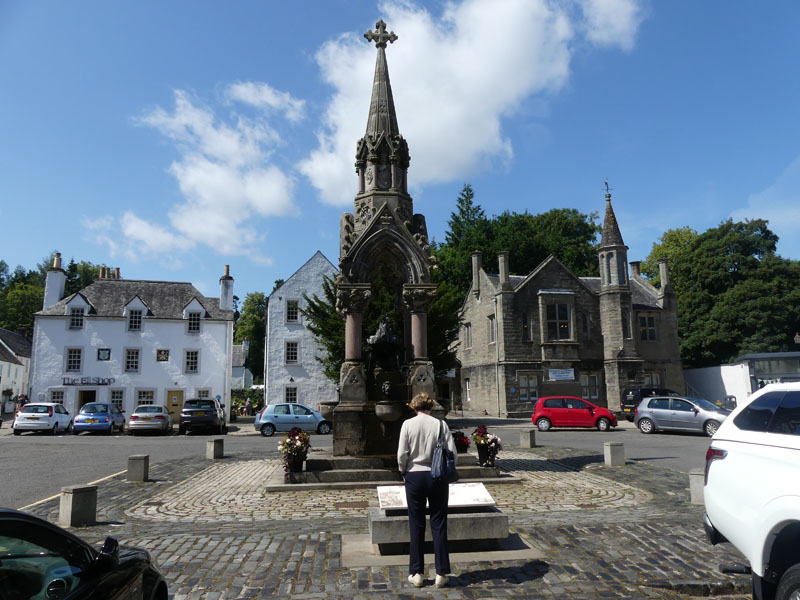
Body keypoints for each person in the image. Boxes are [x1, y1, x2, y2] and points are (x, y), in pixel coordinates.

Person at [397, 393, 456, 588]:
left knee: (416, 524)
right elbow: (452, 452)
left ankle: (417, 573)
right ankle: (441, 573)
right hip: (437, 475)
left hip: (414, 475)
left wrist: (403, 471)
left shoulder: (407, 424)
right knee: (439, 523)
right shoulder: (441, 425)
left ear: (414, 407)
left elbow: (401, 454)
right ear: (430, 406)